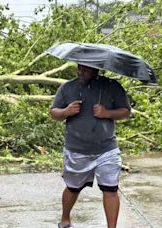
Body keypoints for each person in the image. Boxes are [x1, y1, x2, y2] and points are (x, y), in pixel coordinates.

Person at [50, 64, 131, 228]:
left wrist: (107, 113)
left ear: (97, 69)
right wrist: (66, 111)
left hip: (107, 148)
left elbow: (126, 112)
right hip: (76, 149)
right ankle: (65, 220)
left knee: (110, 189)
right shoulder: (67, 87)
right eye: (79, 68)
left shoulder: (112, 86)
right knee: (73, 188)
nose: (80, 71)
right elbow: (53, 112)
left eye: (86, 69)